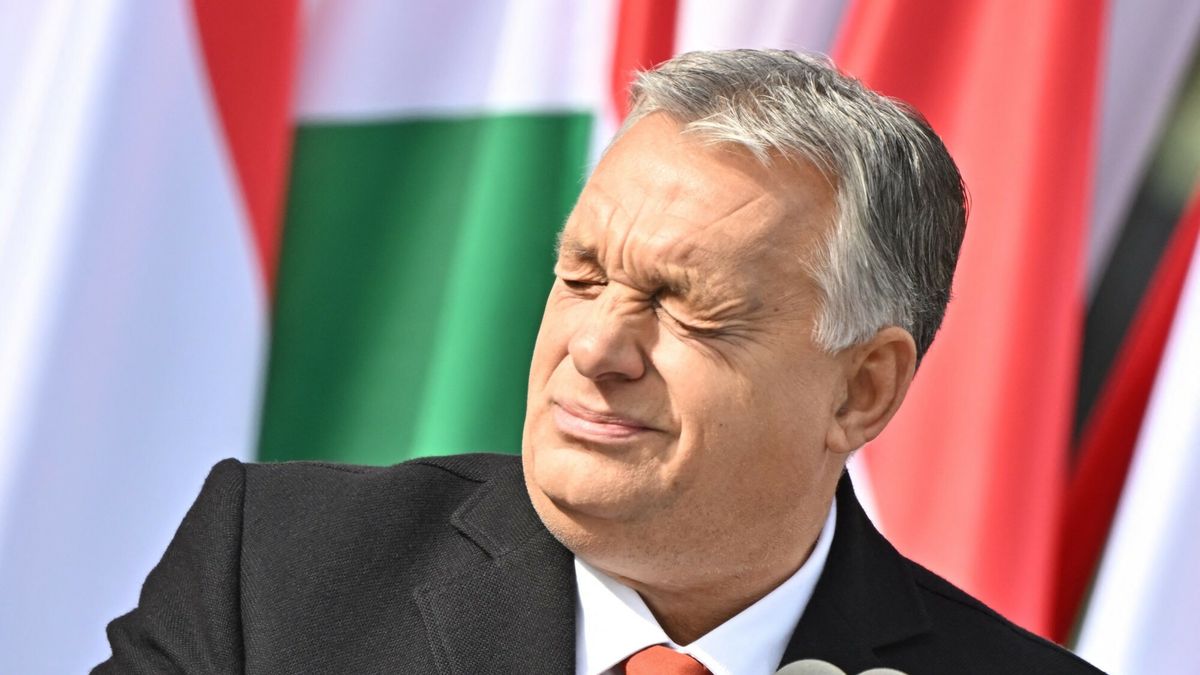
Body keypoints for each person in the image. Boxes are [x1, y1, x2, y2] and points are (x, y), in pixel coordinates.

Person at [95, 50, 1103, 674]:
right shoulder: (272, 571)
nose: (596, 348)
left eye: (688, 307)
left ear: (862, 385)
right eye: (581, 277)